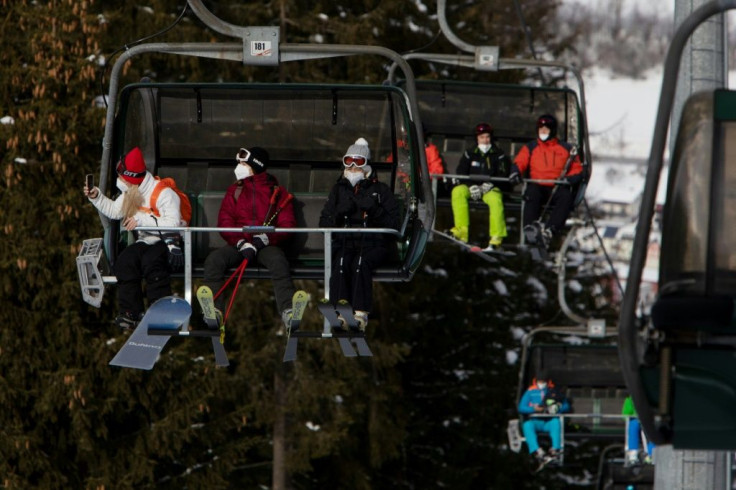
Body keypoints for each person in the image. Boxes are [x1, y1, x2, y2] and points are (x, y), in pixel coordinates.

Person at [84, 146, 184, 330]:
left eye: (122, 178)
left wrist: (140, 220)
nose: (120, 182)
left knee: (151, 261)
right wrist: (97, 197)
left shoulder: (163, 194)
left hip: (169, 242)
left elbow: (173, 224)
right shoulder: (132, 193)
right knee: (125, 261)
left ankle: (160, 309)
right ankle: (131, 311)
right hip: (146, 241)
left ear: (132, 178)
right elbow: (115, 211)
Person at [202, 147, 297, 329]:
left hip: (266, 245)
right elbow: (225, 220)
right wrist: (240, 242)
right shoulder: (235, 190)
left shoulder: (278, 193)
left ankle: (288, 310)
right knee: (214, 260)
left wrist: (267, 238)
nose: (239, 167)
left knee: (278, 261)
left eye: (244, 164)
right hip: (241, 245)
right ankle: (214, 310)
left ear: (256, 166)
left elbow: (288, 225)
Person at [319, 137, 401, 331]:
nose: (353, 169)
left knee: (360, 263)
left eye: (358, 164)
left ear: (366, 168)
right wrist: (338, 212)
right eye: (349, 164)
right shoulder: (338, 191)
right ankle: (339, 310)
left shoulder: (380, 191)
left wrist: (375, 210)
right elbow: (324, 222)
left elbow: (394, 224)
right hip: (346, 243)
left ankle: (360, 313)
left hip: (374, 244)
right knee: (340, 262)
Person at [510, 114, 583, 249]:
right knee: (532, 194)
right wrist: (516, 171)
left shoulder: (565, 148)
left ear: (553, 130)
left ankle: (550, 230)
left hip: (557, 186)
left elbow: (577, 168)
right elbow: (520, 161)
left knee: (566, 197)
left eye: (546, 129)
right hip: (537, 184)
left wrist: (569, 179)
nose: (543, 132)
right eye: (541, 129)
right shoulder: (531, 147)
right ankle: (530, 228)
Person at [449, 122, 511, 251]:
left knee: (495, 200)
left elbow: (503, 173)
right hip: (472, 187)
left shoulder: (498, 154)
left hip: (490, 188)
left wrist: (490, 184)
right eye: (482, 137)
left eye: (487, 137)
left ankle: (496, 237)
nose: (485, 140)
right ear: (477, 138)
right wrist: (470, 186)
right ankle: (461, 231)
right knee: (457, 192)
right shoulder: (470, 153)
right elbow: (461, 172)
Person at [518, 369, 571, 470]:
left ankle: (555, 449)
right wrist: (534, 409)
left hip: (549, 421)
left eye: (544, 381)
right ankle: (537, 451)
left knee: (556, 423)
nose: (542, 384)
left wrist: (556, 409)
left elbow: (566, 406)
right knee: (527, 425)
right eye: (540, 381)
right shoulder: (530, 392)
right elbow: (521, 407)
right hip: (536, 420)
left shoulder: (554, 391)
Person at [622, 395, 655, 466]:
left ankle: (635, 455)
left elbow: (626, 413)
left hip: (649, 419)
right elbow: (626, 414)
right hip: (641, 419)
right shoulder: (630, 399)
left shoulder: (631, 398)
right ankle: (637, 454)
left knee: (654, 431)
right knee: (634, 426)